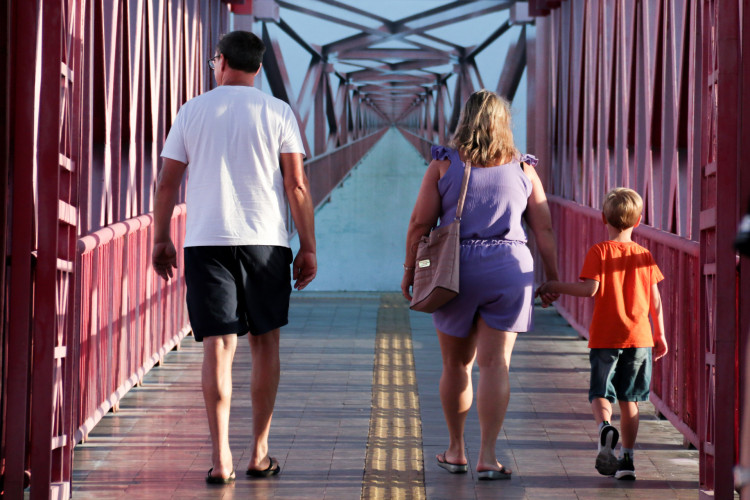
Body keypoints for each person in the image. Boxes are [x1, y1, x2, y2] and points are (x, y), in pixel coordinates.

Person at [151, 30, 317, 484]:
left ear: (220, 61)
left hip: (207, 240)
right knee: (265, 343)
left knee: (217, 348)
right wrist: (309, 246)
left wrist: (160, 237)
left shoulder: (191, 111)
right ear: (260, 68)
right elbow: (296, 185)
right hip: (267, 241)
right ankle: (259, 453)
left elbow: (166, 183)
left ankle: (221, 459)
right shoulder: (278, 111)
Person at [401, 89, 559, 480]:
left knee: (456, 364)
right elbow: (544, 228)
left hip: (456, 270)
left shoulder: (443, 165)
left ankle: (456, 450)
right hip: (510, 269)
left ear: (464, 120)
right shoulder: (524, 169)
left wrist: (409, 270)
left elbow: (420, 224)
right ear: (504, 122)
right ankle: (488, 456)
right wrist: (552, 276)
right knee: (495, 365)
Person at [536, 187, 667, 480]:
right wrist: (661, 334)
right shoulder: (645, 255)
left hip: (606, 336)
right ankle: (628, 460)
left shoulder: (599, 251)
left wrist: (554, 285)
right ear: (639, 221)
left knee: (600, 392)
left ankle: (605, 428)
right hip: (640, 337)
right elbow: (655, 300)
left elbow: (589, 290)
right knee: (630, 399)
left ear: (602, 218)